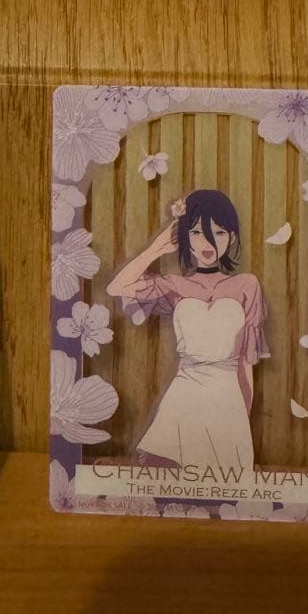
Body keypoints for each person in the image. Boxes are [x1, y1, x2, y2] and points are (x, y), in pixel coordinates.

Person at [106, 190, 266, 471]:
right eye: (196, 232)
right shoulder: (174, 285)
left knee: (225, 477)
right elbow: (116, 287)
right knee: (168, 474)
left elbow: (246, 362)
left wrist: (243, 416)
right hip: (183, 395)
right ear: (183, 237)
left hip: (227, 400)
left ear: (232, 237)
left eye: (219, 232)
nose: (208, 242)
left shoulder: (247, 285)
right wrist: (156, 248)